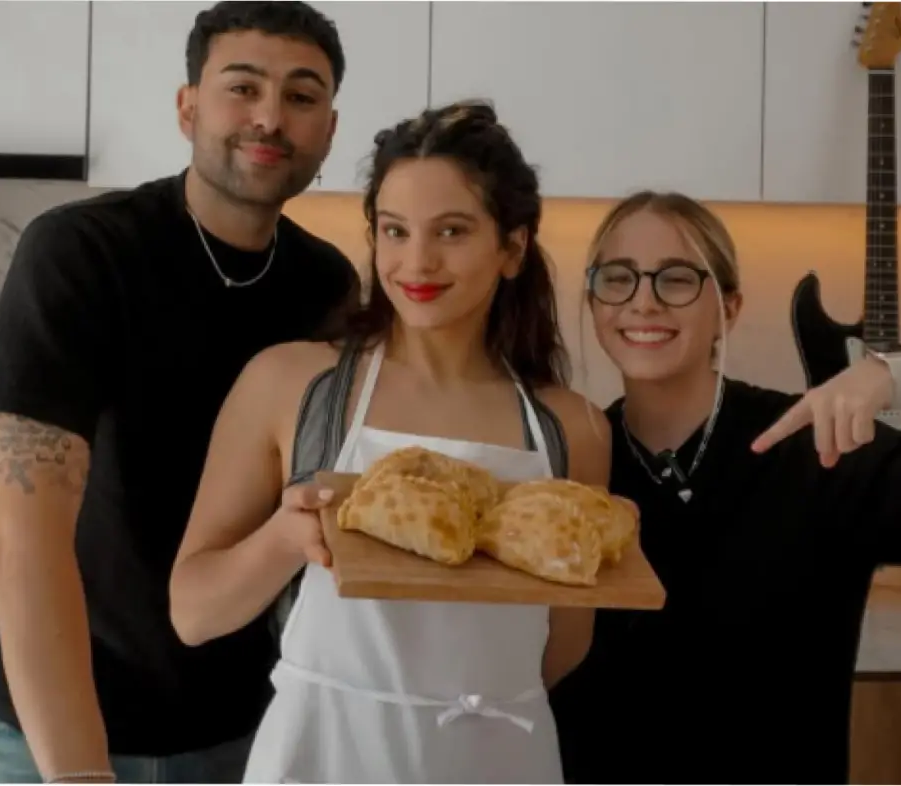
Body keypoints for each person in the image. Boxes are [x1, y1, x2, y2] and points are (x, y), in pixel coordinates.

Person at [0, 2, 356, 782]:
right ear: (188, 108)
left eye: (302, 97)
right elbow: (24, 549)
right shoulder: (81, 254)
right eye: (242, 87)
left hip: (237, 730)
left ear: (329, 130)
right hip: (49, 732)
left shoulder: (328, 288)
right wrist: (78, 773)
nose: (270, 116)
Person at [167, 100, 609, 784]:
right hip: (326, 754)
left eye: (453, 231)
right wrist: (287, 538)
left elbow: (565, 644)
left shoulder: (572, 427)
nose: (417, 261)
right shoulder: (290, 384)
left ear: (514, 247)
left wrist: (457, 706)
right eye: (394, 231)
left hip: (496, 760)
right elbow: (193, 613)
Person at [550, 191, 901, 785]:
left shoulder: (816, 447)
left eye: (675, 280)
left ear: (730, 306)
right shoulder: (569, 462)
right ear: (594, 302)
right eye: (618, 278)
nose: (643, 302)